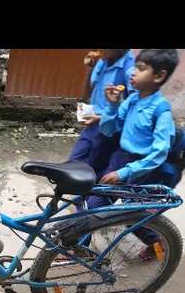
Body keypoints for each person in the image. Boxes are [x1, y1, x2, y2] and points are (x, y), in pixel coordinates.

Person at [86, 48, 180, 259]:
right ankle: (80, 246)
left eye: (140, 68)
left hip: (142, 169)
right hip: (120, 159)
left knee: (132, 216)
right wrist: (112, 106)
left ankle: (158, 242)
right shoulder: (132, 100)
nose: (132, 72)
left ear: (159, 76)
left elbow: (159, 153)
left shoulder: (161, 111)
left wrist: (125, 173)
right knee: (94, 203)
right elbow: (109, 130)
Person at [71, 49, 136, 175]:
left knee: (90, 171)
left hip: (110, 131)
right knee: (73, 163)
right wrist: (91, 67)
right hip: (92, 125)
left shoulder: (130, 69)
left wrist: (100, 117)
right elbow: (90, 90)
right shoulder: (103, 60)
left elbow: (133, 107)